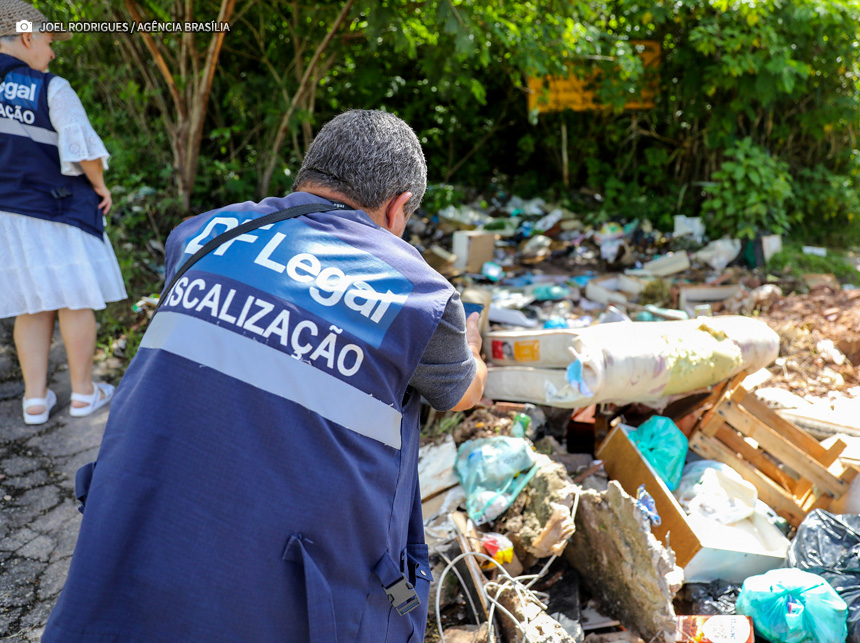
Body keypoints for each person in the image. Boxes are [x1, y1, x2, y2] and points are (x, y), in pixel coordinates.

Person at [43, 109, 488, 642]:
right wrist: (472, 349)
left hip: (125, 554)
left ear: (309, 176)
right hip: (292, 591)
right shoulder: (418, 294)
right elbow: (462, 392)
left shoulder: (201, 234)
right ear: (398, 207)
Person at [0, 0, 126, 425]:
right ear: (27, 37)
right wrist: (100, 185)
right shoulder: (49, 87)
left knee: (31, 303)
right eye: (48, 42)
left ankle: (34, 401)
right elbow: (82, 146)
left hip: (6, 217)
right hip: (57, 208)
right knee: (74, 299)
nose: (52, 53)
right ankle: (83, 393)